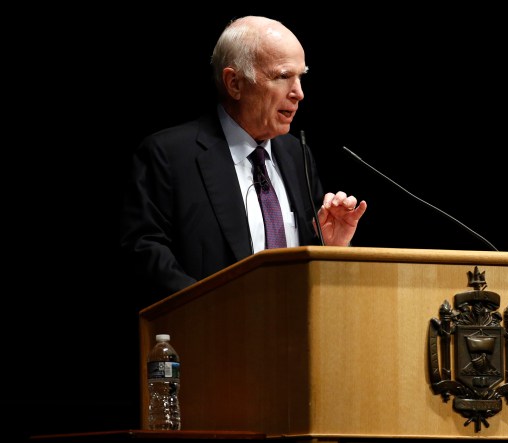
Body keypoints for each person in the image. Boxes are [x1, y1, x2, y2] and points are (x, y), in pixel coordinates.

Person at [120, 15, 367, 303]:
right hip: (211, 326)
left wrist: (332, 248)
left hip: (296, 326)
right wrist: (218, 311)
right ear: (234, 83)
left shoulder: (296, 154)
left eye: (301, 77)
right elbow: (144, 253)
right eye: (282, 76)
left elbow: (306, 263)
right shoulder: (169, 155)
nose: (299, 93)